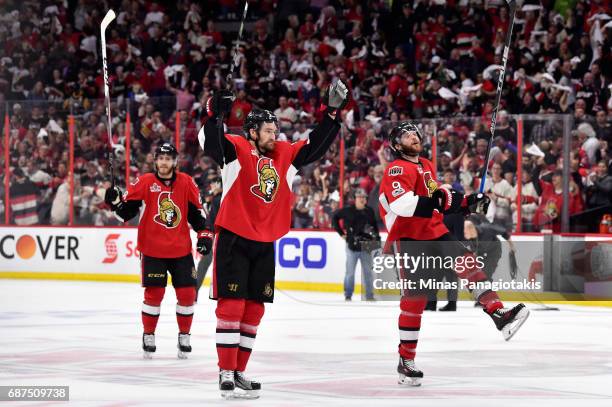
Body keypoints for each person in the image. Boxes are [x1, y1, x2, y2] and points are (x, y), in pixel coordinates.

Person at [198, 81, 348, 399]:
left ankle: (239, 371)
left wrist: (332, 113)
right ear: (252, 132)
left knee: (254, 310)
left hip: (265, 242)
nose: (273, 135)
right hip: (234, 239)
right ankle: (225, 370)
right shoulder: (237, 149)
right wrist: (214, 114)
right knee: (232, 305)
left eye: (275, 129)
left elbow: (316, 146)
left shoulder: (284, 154)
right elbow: (209, 144)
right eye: (267, 130)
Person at [378, 121, 530, 386]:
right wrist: (448, 201)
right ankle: (406, 360)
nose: (413, 137)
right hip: (410, 237)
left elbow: (439, 200)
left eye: (415, 133)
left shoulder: (425, 164)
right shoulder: (396, 168)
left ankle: (498, 313)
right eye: (406, 135)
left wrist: (467, 203)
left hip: (435, 230)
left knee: (467, 262)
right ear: (396, 145)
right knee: (415, 300)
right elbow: (403, 205)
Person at [104, 143, 213, 360]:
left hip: (181, 250)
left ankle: (184, 336)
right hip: (152, 250)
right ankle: (149, 335)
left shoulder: (186, 182)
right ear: (155, 160)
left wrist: (204, 235)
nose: (164, 162)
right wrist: (115, 203)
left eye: (168, 158)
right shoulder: (144, 182)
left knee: (187, 295)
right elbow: (125, 214)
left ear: (175, 161)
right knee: (154, 295)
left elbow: (198, 214)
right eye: (160, 158)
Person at [332, 188, 379, 301]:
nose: (362, 199)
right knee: (350, 272)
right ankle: (348, 294)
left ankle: (369, 295)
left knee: (368, 272)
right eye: (360, 197)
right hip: (352, 246)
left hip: (366, 245)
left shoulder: (369, 211)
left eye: (364, 197)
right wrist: (341, 233)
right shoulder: (348, 211)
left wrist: (376, 239)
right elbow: (335, 217)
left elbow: (374, 226)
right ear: (355, 199)